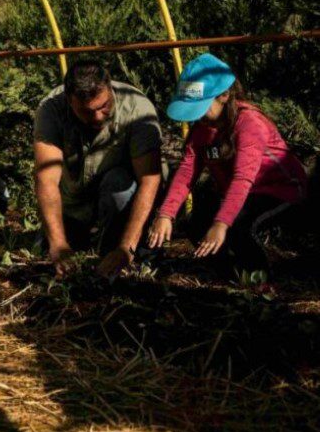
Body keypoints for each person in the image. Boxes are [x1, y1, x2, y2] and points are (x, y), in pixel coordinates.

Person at [148, 53, 307, 275]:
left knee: (238, 228)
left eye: (202, 106)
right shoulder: (202, 129)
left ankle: (257, 279)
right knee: (197, 225)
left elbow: (243, 179)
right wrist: (166, 214)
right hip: (240, 193)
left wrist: (221, 224)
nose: (197, 116)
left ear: (224, 95)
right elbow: (186, 171)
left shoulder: (249, 123)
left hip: (279, 190)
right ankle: (228, 273)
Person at [33, 59, 162, 277]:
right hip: (75, 203)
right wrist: (58, 243)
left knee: (119, 183)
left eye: (103, 107)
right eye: (87, 111)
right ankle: (79, 235)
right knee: (52, 248)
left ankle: (114, 246)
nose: (98, 116)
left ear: (110, 87)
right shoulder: (51, 109)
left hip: (118, 203)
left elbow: (150, 180)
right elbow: (46, 178)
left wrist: (125, 248)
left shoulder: (137, 108)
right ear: (69, 101)